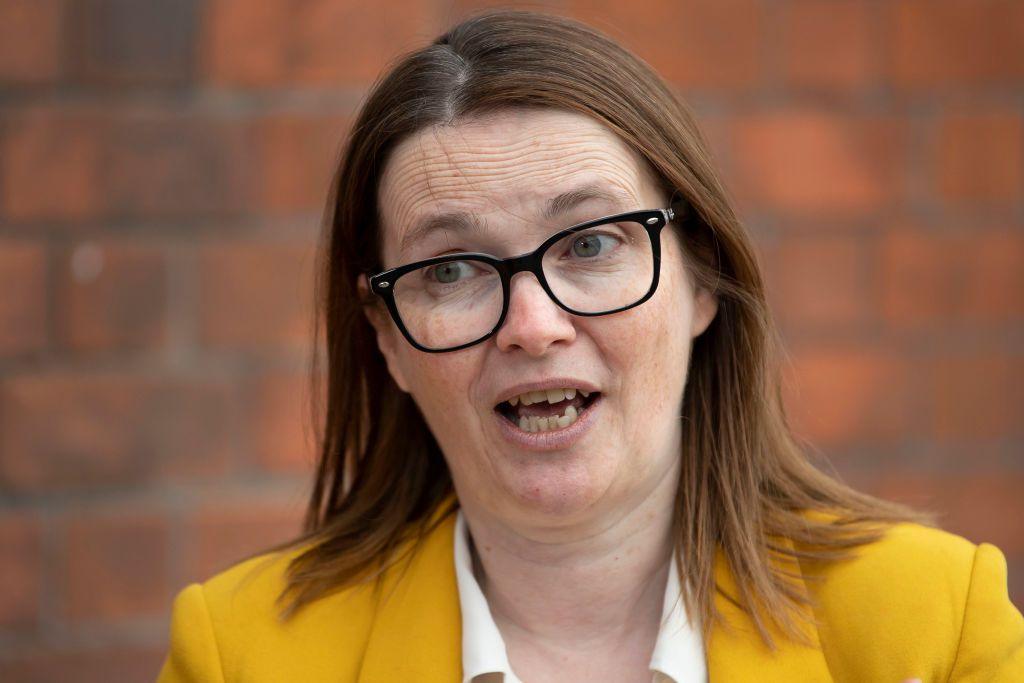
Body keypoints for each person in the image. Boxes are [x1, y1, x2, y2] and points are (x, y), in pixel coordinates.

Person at [157, 10, 1023, 683]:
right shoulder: (245, 653)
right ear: (387, 337)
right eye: (452, 268)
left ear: (701, 278)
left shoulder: (930, 623)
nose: (533, 326)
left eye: (590, 243)